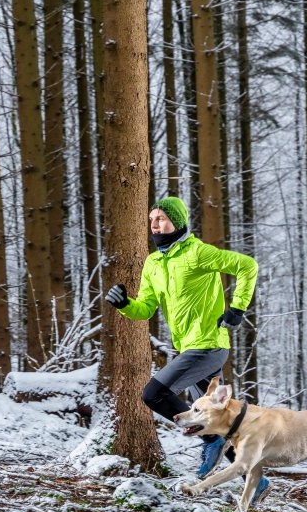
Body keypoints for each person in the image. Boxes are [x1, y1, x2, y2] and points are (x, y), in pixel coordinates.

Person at [105, 196, 264, 493]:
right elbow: (146, 308)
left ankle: (209, 440)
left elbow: (247, 265)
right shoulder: (153, 263)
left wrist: (237, 308)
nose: (155, 223)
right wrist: (126, 304)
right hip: (186, 347)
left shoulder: (197, 252)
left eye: (162, 218)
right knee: (220, 419)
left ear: (177, 223)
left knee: (154, 393)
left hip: (209, 345)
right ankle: (257, 483)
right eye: (152, 218)